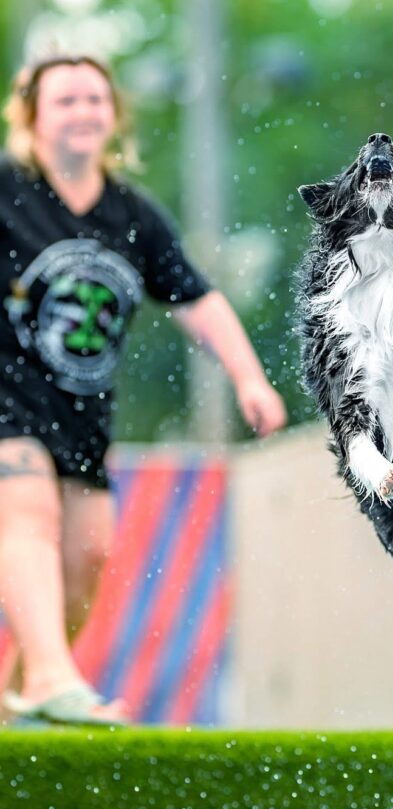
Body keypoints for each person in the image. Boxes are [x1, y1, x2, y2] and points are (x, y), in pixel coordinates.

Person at [0, 55, 287, 726]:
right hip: (6, 401)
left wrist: (249, 377)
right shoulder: (8, 191)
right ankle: (52, 677)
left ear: (114, 116)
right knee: (27, 513)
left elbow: (196, 298)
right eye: (66, 100)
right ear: (33, 118)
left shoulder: (132, 214)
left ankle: (25, 692)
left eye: (95, 100)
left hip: (81, 416)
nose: (83, 111)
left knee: (88, 557)